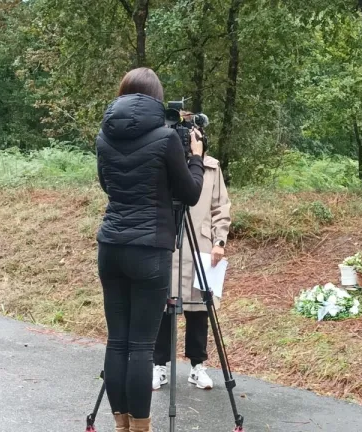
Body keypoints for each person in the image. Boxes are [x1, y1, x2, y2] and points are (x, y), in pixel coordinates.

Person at [96, 67, 205, 432]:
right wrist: (195, 157)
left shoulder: (104, 135)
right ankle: (141, 428)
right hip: (149, 248)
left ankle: (122, 426)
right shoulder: (165, 137)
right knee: (141, 346)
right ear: (156, 98)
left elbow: (107, 184)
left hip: (110, 245)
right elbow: (190, 193)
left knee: (117, 343)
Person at [152, 114, 231, 391]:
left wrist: (219, 242)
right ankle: (159, 365)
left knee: (199, 309)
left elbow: (221, 207)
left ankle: (198, 366)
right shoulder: (163, 162)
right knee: (164, 306)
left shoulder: (211, 167)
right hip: (169, 245)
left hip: (201, 247)